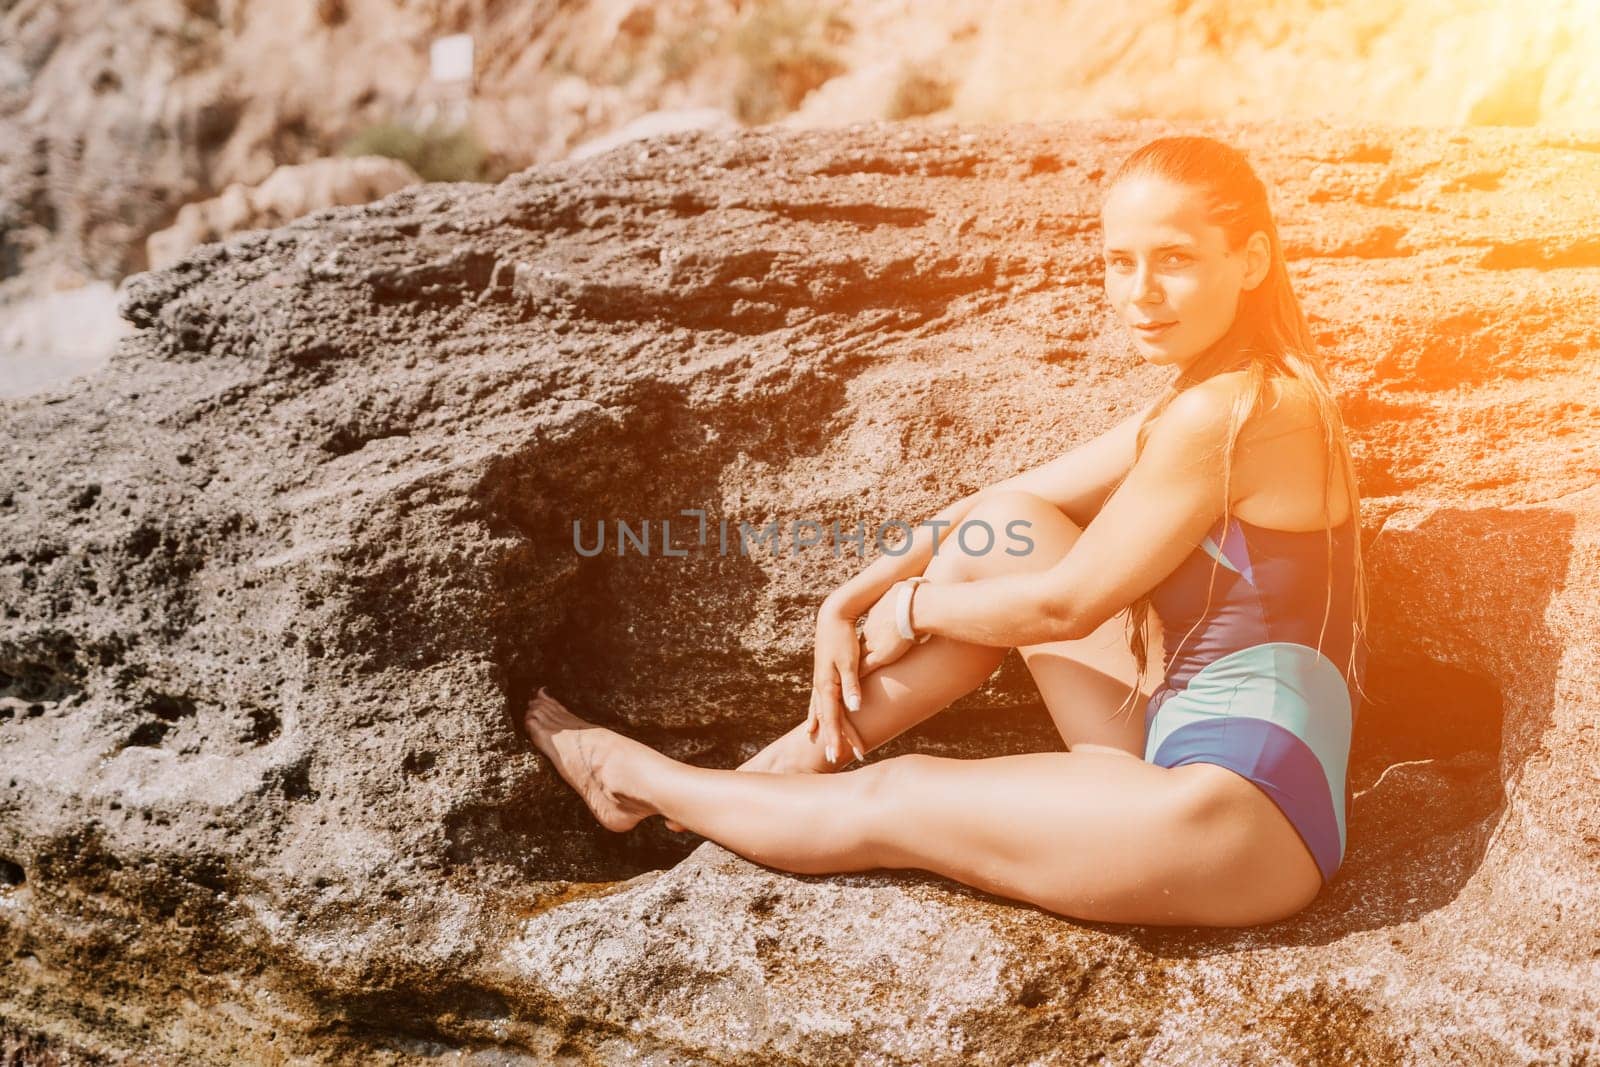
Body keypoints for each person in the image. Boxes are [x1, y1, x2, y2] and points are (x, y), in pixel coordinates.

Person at [520, 134, 1371, 928]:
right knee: (1001, 529)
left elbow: (1063, 608)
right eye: (1119, 262)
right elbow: (1002, 500)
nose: (1140, 293)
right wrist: (846, 599)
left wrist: (913, 610)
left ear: (1251, 259)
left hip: (1241, 818)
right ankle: (775, 778)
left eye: (1175, 261)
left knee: (895, 800)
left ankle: (633, 779)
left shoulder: (1242, 414)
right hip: (1178, 748)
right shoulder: (1219, 396)